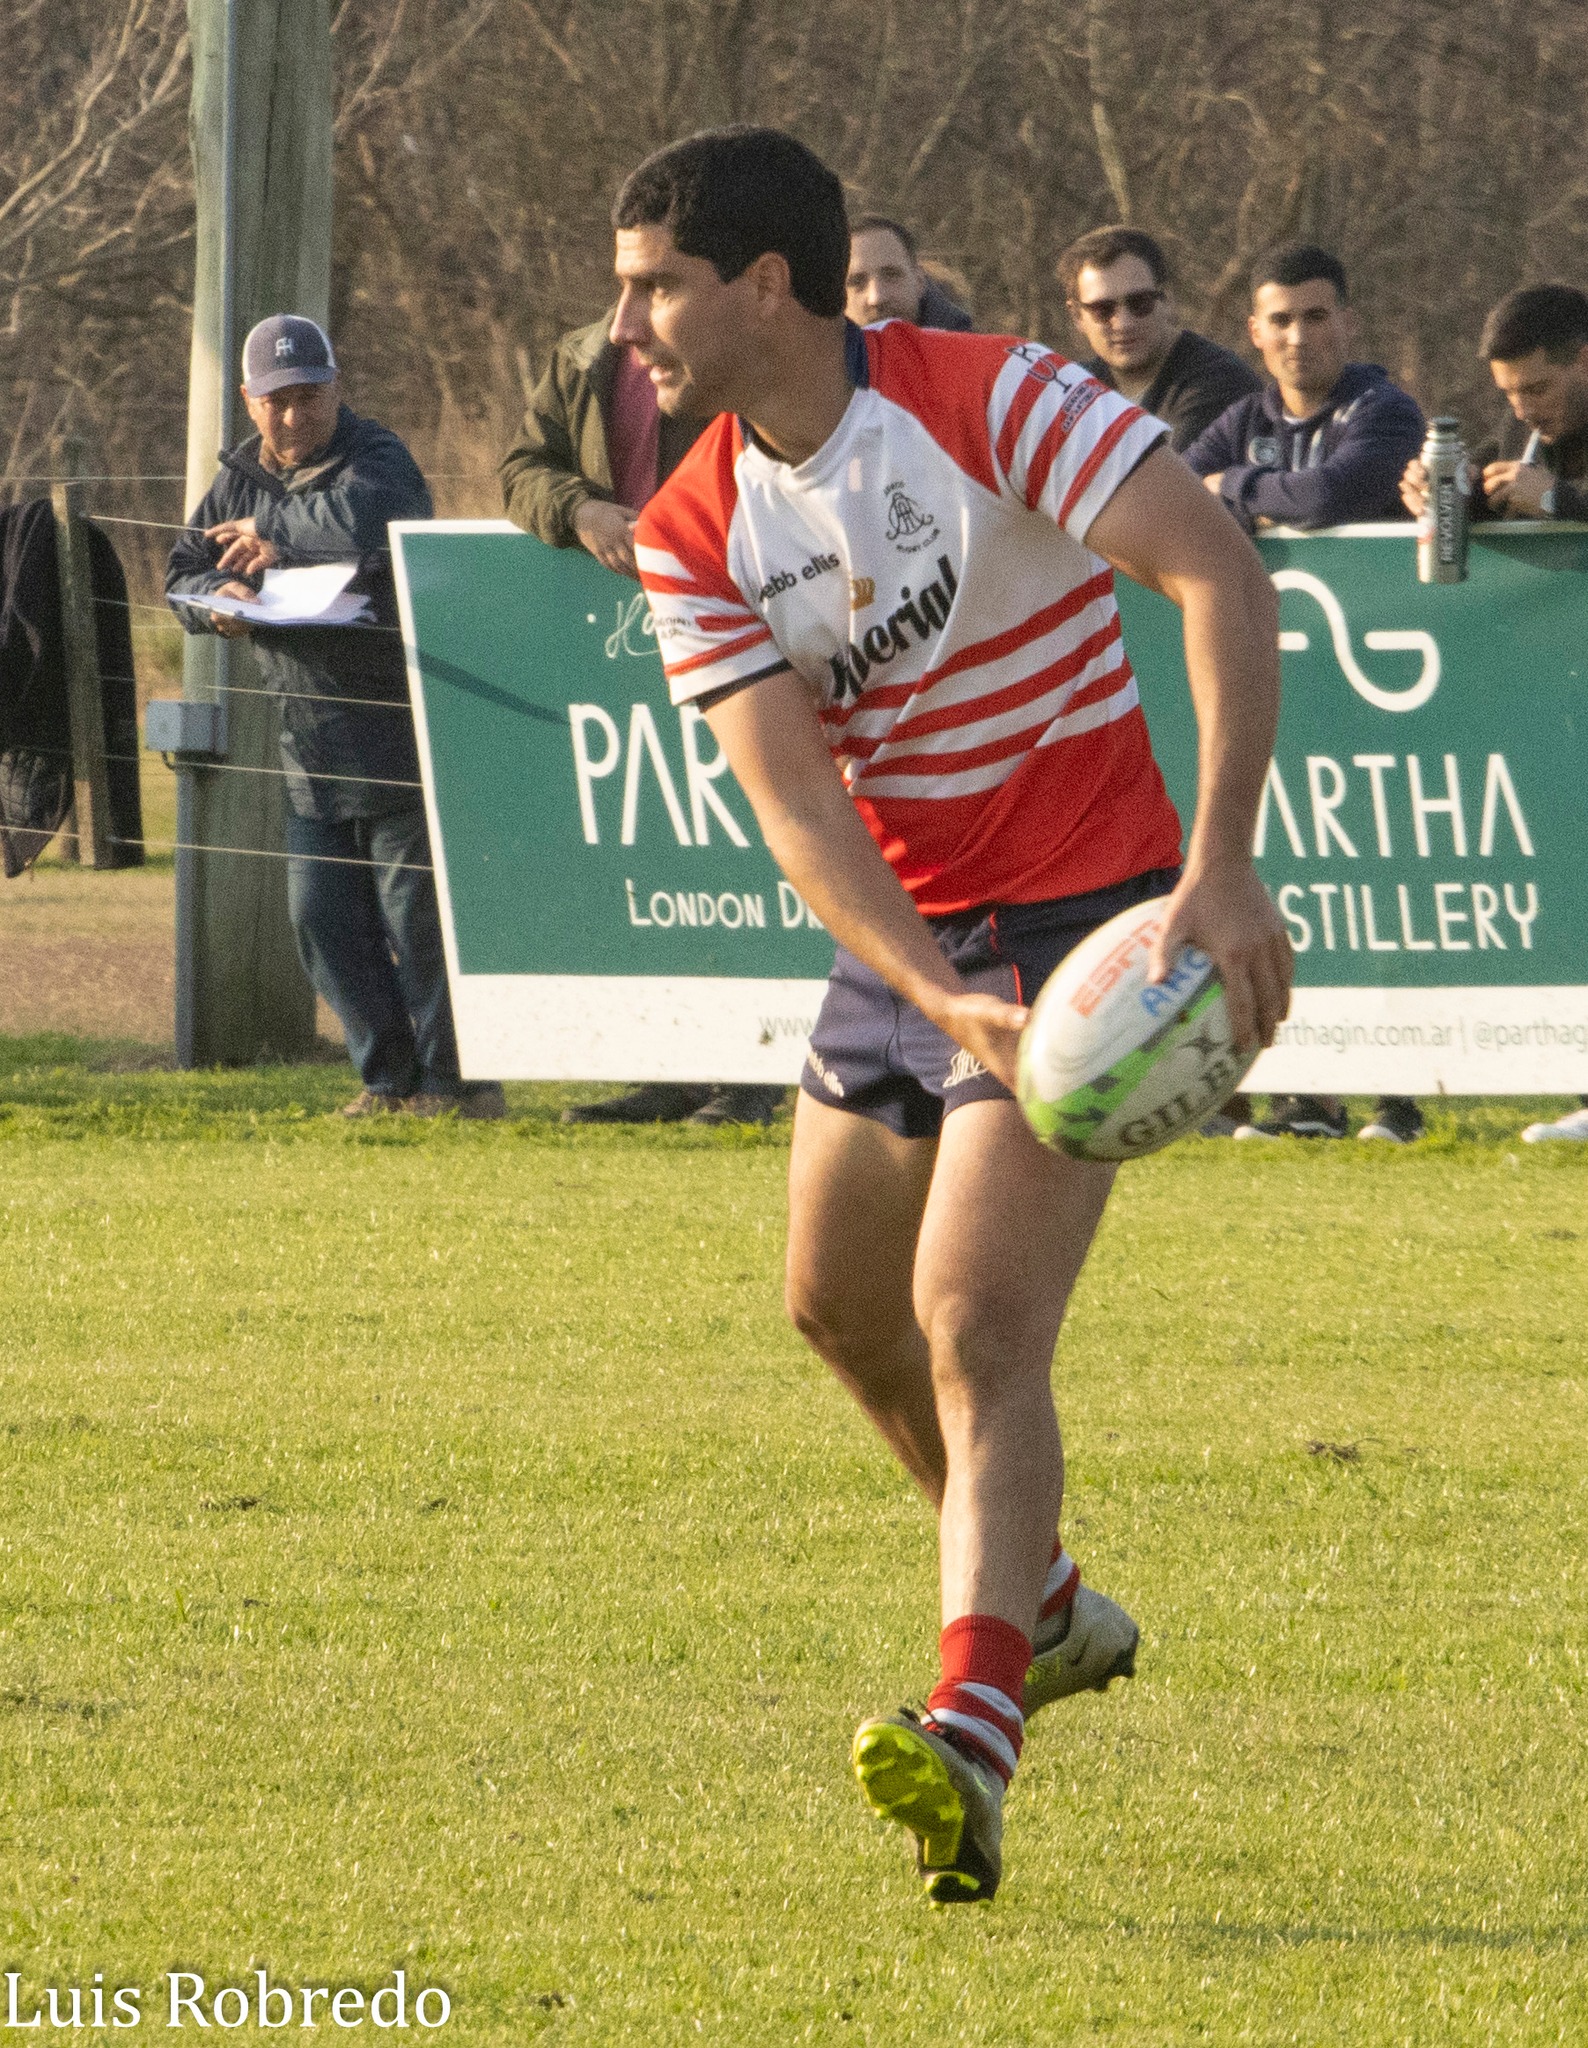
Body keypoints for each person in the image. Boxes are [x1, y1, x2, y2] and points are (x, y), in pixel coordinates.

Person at [611, 127, 1290, 1904]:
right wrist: (923, 990)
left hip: (1086, 918)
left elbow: (1216, 567)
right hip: (914, 943)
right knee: (834, 1310)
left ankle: (970, 1720)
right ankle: (1045, 1600)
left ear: (765, 284)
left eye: (656, 284)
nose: (631, 324)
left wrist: (1213, 873)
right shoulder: (692, 525)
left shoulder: (988, 395)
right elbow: (797, 813)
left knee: (971, 1320)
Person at [166, 316, 501, 1120]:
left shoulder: (376, 455)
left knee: (416, 920)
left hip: (396, 729)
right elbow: (182, 568)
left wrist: (272, 534)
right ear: (249, 401)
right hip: (307, 744)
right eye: (276, 401)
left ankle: (458, 1087)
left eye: (308, 397)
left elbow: (373, 517)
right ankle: (387, 1083)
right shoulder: (237, 480)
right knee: (320, 917)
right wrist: (221, 602)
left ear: (336, 388)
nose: (292, 417)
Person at [499, 312, 782, 1129]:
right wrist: (579, 511)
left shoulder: (739, 347)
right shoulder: (584, 358)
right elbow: (520, 466)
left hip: (742, 622)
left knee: (746, 851)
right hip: (618, 650)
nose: (636, 303)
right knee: (663, 860)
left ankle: (752, 1072)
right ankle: (669, 1067)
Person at [1187, 246, 1426, 1145]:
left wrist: (1238, 491)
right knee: (1301, 890)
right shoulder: (1242, 417)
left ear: (1348, 322)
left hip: (1390, 698)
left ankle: (1398, 1100)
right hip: (1291, 699)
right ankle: (1308, 1098)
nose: (1299, 336)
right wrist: (1240, 490)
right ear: (1254, 332)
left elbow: (1335, 493)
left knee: (1396, 885)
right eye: (1280, 320)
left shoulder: (1382, 406)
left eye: (1316, 316)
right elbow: (1175, 487)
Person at [1399, 284, 1588, 1147]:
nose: (1523, 410)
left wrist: (1557, 503)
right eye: (1509, 395)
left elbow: (1561, 503)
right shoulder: (1544, 435)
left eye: (1538, 389)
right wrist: (1449, 497)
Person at [1058, 225, 1259, 450]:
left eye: (1140, 303)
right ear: (1077, 315)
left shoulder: (1221, 383)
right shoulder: (1072, 390)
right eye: (1102, 310)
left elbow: (1163, 482)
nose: (1123, 323)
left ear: (1167, 300)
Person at [845, 215, 973, 331]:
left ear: (919, 281)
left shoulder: (977, 354)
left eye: (891, 275)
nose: (877, 298)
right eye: (857, 282)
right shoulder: (828, 355)